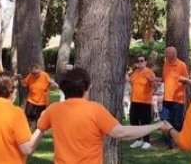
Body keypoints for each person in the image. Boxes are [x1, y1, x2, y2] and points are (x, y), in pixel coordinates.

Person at [31, 66, 168, 163]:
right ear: (88, 87)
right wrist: (157, 125)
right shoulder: (95, 110)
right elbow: (121, 132)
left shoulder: (54, 110)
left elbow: (38, 131)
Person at [161, 46, 190, 148]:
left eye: (167, 54)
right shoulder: (165, 64)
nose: (166, 56)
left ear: (173, 55)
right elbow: (164, 79)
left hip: (178, 99)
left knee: (177, 122)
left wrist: (183, 79)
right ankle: (168, 143)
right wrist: (154, 79)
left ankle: (178, 141)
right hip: (167, 98)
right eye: (166, 54)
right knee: (164, 120)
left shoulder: (182, 65)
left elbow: (187, 80)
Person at [128, 54, 158, 150]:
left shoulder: (149, 72)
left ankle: (147, 141)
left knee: (145, 122)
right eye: (138, 61)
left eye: (142, 61)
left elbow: (155, 87)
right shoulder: (135, 72)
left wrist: (153, 82)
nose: (140, 63)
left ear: (145, 62)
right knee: (133, 120)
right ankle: (138, 140)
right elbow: (130, 81)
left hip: (145, 101)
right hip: (134, 100)